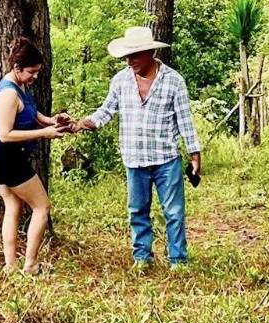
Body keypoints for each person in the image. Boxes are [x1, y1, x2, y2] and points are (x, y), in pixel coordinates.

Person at [73, 25, 203, 268]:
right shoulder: (120, 81)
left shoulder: (173, 81)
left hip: (166, 157)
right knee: (137, 211)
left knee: (173, 211)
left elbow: (185, 120)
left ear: (149, 54)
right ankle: (142, 257)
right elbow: (106, 111)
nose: (129, 61)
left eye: (134, 55)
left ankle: (178, 259)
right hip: (134, 158)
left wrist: (194, 155)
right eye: (126, 56)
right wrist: (83, 123)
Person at [0, 36, 69, 275]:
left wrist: (52, 121)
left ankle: (10, 267)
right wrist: (45, 133)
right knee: (42, 207)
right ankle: (30, 265)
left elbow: (30, 112)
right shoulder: (8, 94)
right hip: (6, 155)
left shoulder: (19, 85)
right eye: (32, 72)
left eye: (38, 72)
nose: (35, 77)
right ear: (17, 68)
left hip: (4, 157)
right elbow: (5, 134)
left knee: (13, 206)